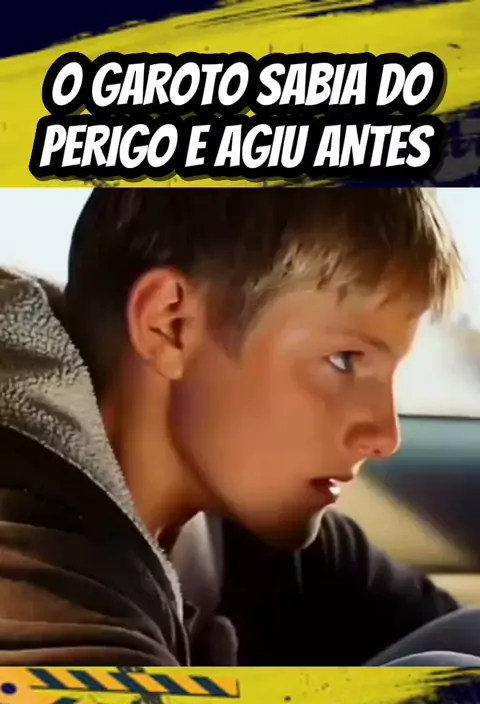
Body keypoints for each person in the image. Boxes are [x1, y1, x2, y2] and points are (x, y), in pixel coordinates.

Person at [0, 187, 473, 667]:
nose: (385, 436)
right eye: (345, 360)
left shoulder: (231, 522)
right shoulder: (27, 570)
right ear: (171, 324)